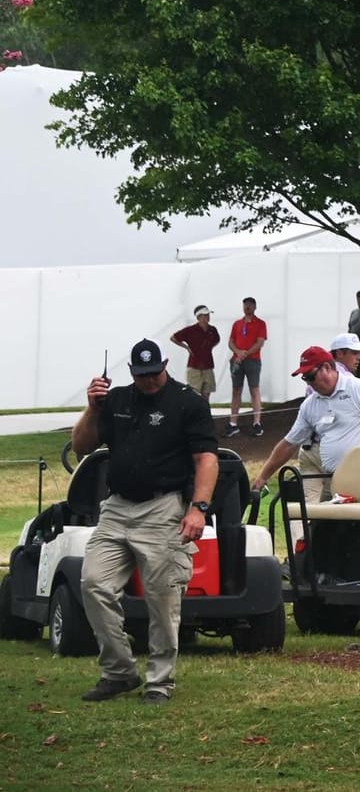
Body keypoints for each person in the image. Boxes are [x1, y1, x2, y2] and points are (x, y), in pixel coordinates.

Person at [71, 339, 217, 704]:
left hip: (163, 507)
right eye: (142, 375)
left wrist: (198, 507)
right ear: (132, 372)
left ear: (165, 365)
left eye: (154, 374)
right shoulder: (117, 400)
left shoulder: (188, 403)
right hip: (117, 507)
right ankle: (120, 671)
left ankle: (159, 681)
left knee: (162, 597)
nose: (149, 381)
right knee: (93, 583)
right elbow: (82, 446)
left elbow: (206, 460)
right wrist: (91, 408)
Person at [252, 346, 360, 500]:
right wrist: (263, 477)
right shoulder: (310, 404)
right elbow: (289, 444)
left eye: (310, 376)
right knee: (315, 517)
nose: (309, 383)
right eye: (305, 378)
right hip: (332, 480)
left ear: (327, 367)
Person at [289, 333, 360, 495]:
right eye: (354, 353)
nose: (359, 357)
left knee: (310, 507)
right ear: (340, 353)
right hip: (326, 450)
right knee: (333, 503)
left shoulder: (320, 375)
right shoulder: (343, 380)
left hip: (309, 446)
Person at [225, 297, 267, 437]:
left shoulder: (260, 323)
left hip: (253, 360)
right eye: (245, 305)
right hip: (236, 360)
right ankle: (233, 423)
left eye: (250, 305)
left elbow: (260, 342)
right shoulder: (237, 323)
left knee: (254, 389)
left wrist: (246, 353)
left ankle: (257, 422)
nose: (247, 307)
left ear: (255, 307)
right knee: (236, 390)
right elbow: (230, 342)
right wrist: (238, 352)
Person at [168, 305, 219, 398]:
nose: (208, 317)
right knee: (195, 394)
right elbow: (173, 338)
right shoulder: (190, 330)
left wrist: (209, 348)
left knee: (207, 393)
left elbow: (217, 340)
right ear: (199, 317)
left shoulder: (212, 330)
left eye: (208, 315)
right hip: (194, 366)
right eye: (205, 315)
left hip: (208, 366)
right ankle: (196, 412)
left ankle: (205, 412)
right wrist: (186, 347)